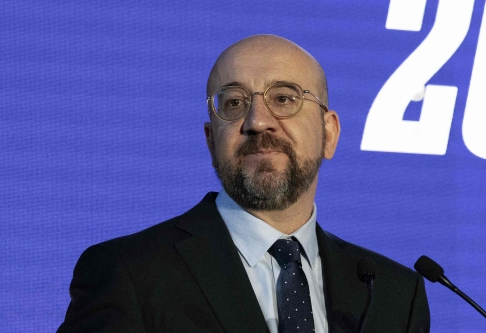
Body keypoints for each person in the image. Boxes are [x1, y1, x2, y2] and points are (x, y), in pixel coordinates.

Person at [58, 34, 430, 333]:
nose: (257, 121)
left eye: (283, 98)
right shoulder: (130, 274)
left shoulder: (393, 293)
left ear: (329, 134)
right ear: (211, 140)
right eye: (234, 103)